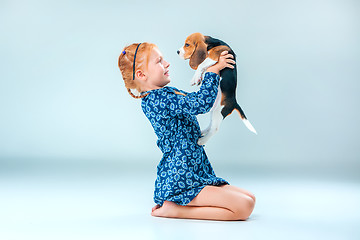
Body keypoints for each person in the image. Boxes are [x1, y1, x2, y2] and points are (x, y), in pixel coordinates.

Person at [118, 42, 255, 221]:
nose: (167, 63)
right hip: (182, 176)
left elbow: (194, 100)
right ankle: (175, 210)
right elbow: (200, 103)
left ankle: (177, 204)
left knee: (250, 199)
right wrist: (213, 71)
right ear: (141, 74)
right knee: (244, 207)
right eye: (159, 61)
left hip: (195, 170)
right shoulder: (158, 100)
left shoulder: (165, 94)